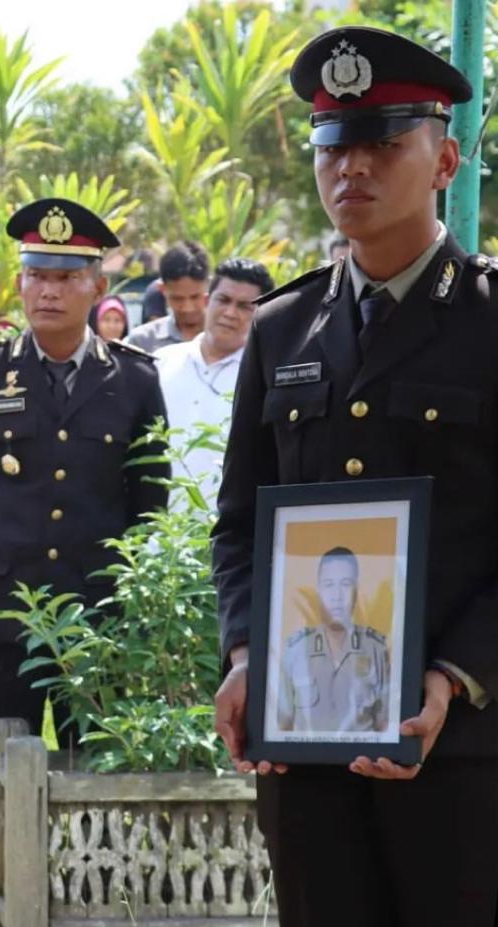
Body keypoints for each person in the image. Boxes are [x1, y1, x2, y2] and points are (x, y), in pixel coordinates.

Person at [212, 27, 498, 927]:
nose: (353, 170)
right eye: (336, 147)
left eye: (383, 143)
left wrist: (453, 675)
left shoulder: (489, 322)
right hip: (305, 749)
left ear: (445, 157)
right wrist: (249, 652)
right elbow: (237, 525)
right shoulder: (281, 328)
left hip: (457, 751)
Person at [0, 197, 169, 927]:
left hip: (96, 626)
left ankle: (92, 913)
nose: (47, 290)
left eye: (66, 276)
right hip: (2, 622)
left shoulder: (133, 380)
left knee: (96, 785)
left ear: (99, 286)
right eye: (35, 273)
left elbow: (148, 500)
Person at [155, 257, 272, 505]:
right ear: (207, 301)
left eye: (244, 306)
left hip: (226, 531)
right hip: (159, 534)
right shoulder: (160, 364)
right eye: (224, 300)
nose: (230, 313)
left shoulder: (265, 378)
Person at [278, 547, 389, 733]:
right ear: (318, 590)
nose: (337, 596)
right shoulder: (295, 650)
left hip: (363, 760)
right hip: (304, 760)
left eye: (345, 584)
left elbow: (385, 725)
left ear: (356, 590)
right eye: (328, 585)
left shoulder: (376, 648)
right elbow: (282, 725)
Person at [126, 241, 209, 353]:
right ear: (162, 289)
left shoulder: (229, 340)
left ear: (208, 286)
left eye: (195, 297)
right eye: (178, 298)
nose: (187, 307)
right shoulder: (142, 342)